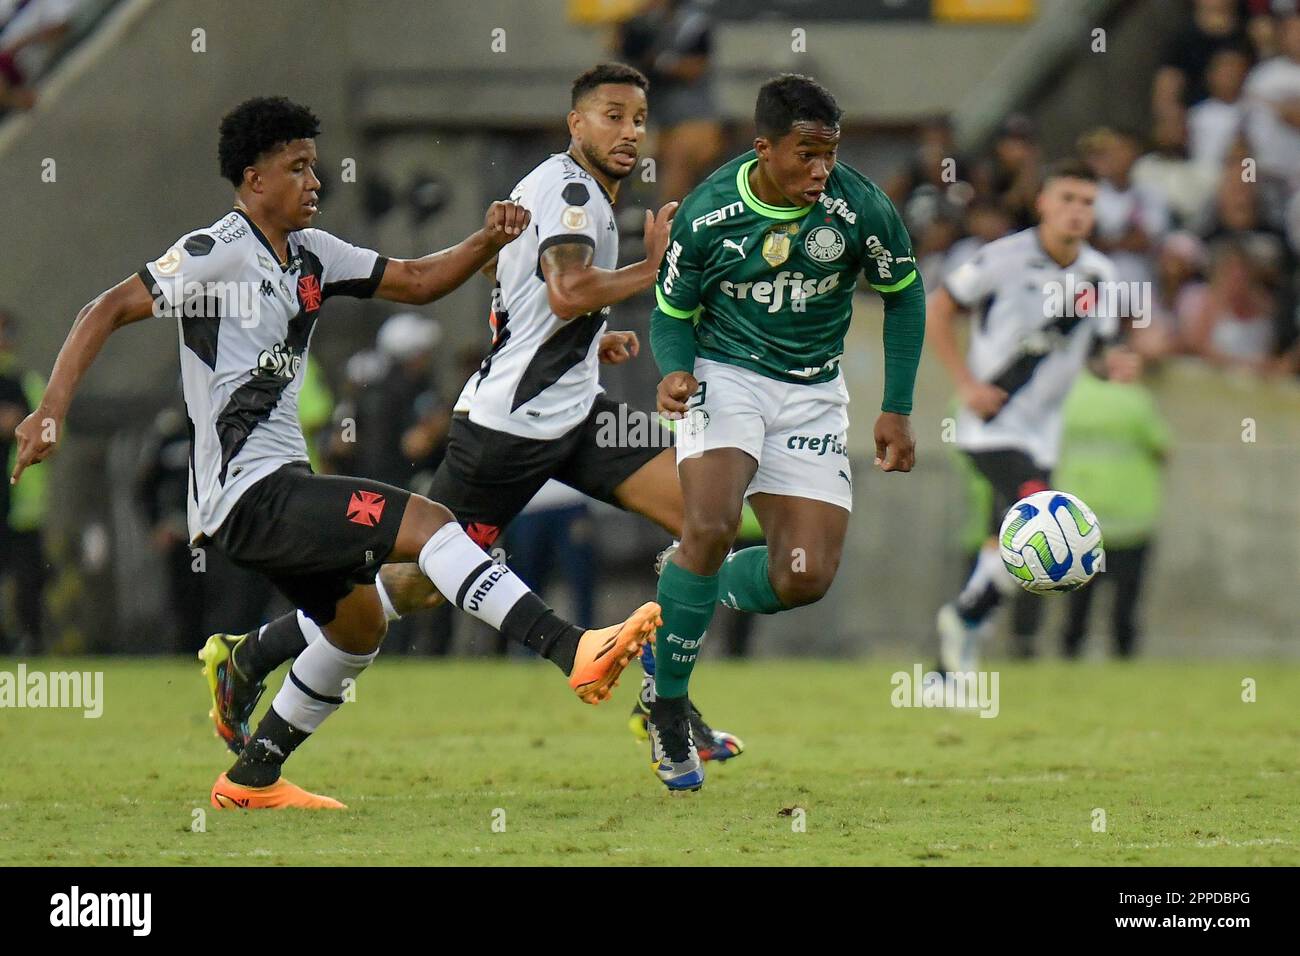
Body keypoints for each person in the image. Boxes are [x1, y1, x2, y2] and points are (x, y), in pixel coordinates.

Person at [9, 95, 660, 810]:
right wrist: (49, 410)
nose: (314, 181)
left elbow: (415, 281)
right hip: (244, 494)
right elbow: (101, 309)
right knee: (433, 528)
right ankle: (572, 651)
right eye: (297, 168)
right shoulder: (215, 251)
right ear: (254, 180)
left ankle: (252, 775)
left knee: (359, 624)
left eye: (315, 166)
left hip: (281, 485)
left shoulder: (314, 252)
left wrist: (485, 240)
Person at [198, 66, 745, 764]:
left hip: (572, 415)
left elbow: (512, 287)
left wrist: (582, 340)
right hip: (509, 432)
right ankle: (251, 656)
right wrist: (659, 270)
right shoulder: (572, 189)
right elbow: (570, 287)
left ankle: (665, 702)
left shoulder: (564, 188)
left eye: (638, 119)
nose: (629, 132)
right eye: (612, 116)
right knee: (412, 584)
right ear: (576, 123)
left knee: (706, 523)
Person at [648, 73, 926, 790]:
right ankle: (670, 713)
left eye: (829, 152)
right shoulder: (709, 213)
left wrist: (896, 406)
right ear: (763, 148)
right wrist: (676, 371)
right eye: (806, 153)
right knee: (709, 525)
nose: (820, 168)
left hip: (810, 394)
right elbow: (671, 310)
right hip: (727, 376)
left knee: (804, 578)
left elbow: (904, 294)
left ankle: (681, 583)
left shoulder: (858, 208)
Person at [926, 159, 1132, 677]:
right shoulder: (1002, 258)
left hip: (1045, 432)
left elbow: (1100, 356)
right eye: (1067, 199)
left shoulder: (1100, 276)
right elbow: (937, 310)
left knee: (1006, 544)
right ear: (1042, 202)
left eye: (1087, 202)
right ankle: (965, 622)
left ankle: (954, 650)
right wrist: (967, 384)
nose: (1077, 212)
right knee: (1043, 518)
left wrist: (1118, 366)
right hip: (992, 423)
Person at [1055, 352, 1169, 658]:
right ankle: (1124, 660)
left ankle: (1069, 659)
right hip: (1131, 519)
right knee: (1125, 603)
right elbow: (1163, 448)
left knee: (1078, 603)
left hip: (1079, 521)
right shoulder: (1136, 401)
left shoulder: (1069, 396)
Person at [0, 309, 48, 653]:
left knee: (29, 578)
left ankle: (31, 640)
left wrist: (21, 431)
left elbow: (52, 434)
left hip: (22, 503)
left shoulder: (26, 383)